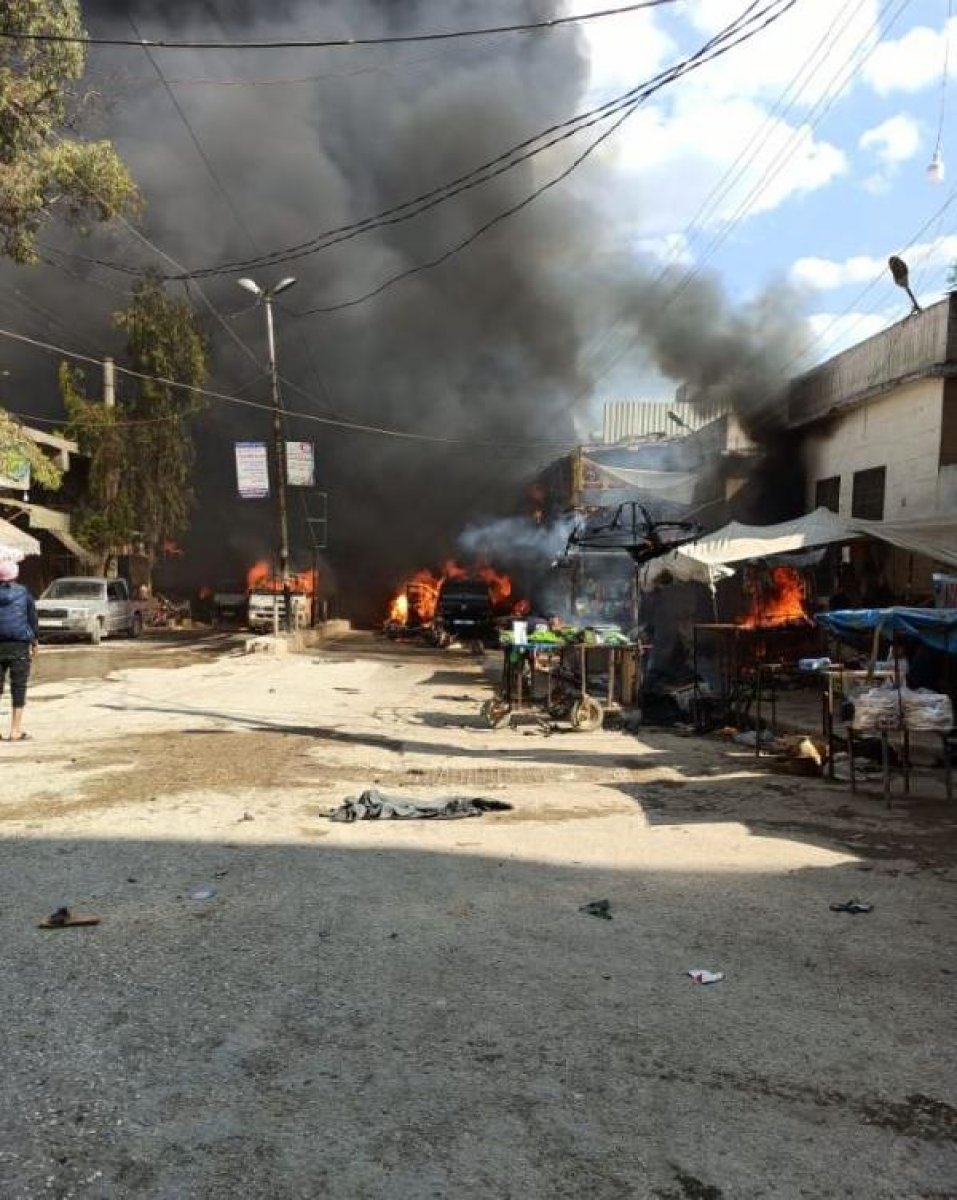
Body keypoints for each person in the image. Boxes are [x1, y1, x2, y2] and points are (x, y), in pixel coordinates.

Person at [0, 558, 38, 741]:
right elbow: (32, 618)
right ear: (15, 575)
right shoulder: (24, 593)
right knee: (18, 686)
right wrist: (35, 641)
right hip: (19, 645)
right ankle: (15, 730)